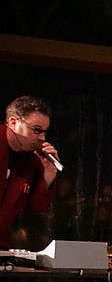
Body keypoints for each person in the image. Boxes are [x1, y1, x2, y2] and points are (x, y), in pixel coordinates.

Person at [0, 95, 60, 249]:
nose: (42, 138)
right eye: (36, 130)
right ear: (13, 122)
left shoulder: (33, 160)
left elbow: (38, 207)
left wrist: (48, 175)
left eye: (44, 132)